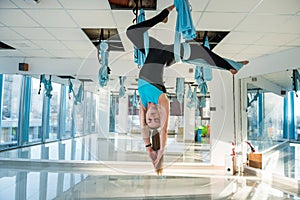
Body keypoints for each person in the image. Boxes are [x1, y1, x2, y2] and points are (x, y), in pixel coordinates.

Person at [126, 5, 248, 175]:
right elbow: (163, 130)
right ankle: (231, 66)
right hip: (167, 55)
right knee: (199, 51)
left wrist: (150, 150)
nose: (152, 116)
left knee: (131, 32)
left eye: (149, 118)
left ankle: (164, 15)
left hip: (152, 51)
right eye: (156, 118)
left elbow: (145, 131)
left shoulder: (143, 104)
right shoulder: (163, 100)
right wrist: (161, 153)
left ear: (145, 116)